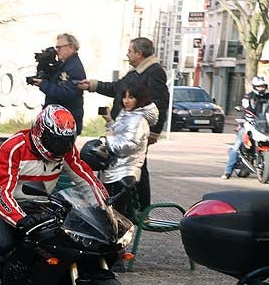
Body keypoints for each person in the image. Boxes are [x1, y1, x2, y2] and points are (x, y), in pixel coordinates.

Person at [0, 105, 108, 285]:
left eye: (65, 142)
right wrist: (19, 219)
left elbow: (85, 177)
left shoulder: (66, 151)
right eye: (55, 141)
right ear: (40, 132)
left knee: (60, 241)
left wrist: (104, 204)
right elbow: (2, 192)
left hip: (40, 203)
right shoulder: (14, 148)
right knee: (4, 242)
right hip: (2, 203)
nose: (60, 148)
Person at [78, 37, 169, 210]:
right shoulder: (135, 72)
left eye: (129, 51)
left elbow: (160, 102)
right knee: (123, 165)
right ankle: (127, 205)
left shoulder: (154, 72)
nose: (127, 54)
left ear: (139, 54)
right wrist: (93, 85)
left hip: (136, 130)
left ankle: (141, 209)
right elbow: (117, 88)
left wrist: (154, 133)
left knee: (137, 167)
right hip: (123, 127)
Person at [96, 83, 158, 216]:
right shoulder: (127, 114)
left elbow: (128, 146)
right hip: (115, 170)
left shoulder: (138, 119)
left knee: (115, 214)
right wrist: (109, 122)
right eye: (124, 97)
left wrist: (107, 140)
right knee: (108, 212)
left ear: (139, 98)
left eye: (131, 97)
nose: (126, 100)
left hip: (123, 172)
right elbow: (118, 136)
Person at [222, 76, 269, 178]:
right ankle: (227, 171)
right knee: (237, 146)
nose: (261, 88)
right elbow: (246, 107)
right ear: (255, 87)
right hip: (248, 123)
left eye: (263, 86)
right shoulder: (248, 97)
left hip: (263, 124)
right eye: (259, 86)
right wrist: (249, 115)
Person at [32, 33, 86, 133]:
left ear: (71, 47)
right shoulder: (64, 64)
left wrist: (43, 84)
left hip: (66, 122)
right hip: (59, 119)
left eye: (59, 47)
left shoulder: (74, 68)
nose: (57, 51)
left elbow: (66, 93)